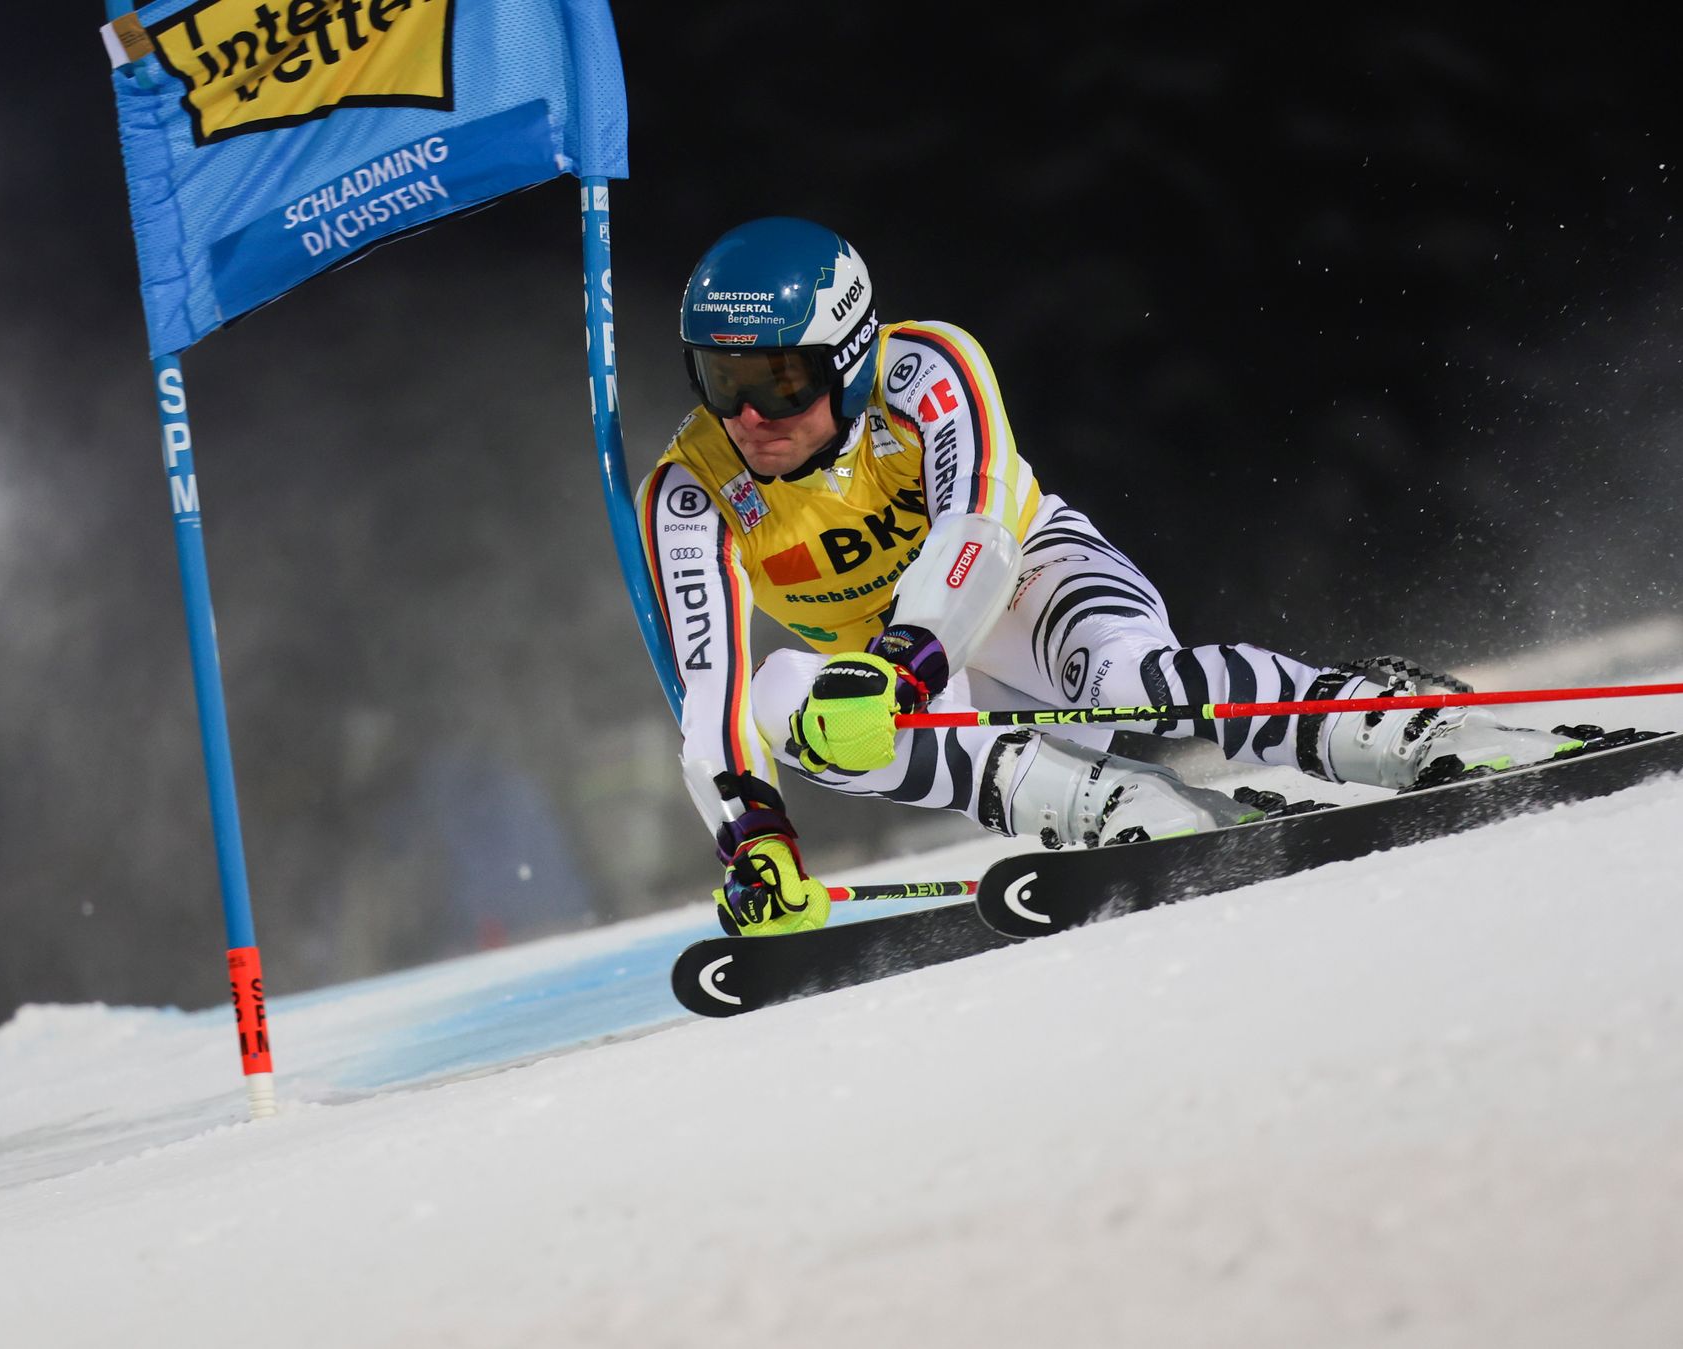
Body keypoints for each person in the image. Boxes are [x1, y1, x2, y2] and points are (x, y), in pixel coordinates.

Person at [638, 216, 1592, 938]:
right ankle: (1118, 805)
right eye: (722, 383)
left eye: (782, 381)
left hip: (1021, 586)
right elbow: (710, 692)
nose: (752, 417)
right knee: (786, 698)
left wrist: (903, 664)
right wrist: (754, 841)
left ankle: (1396, 726)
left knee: (1131, 682)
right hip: (912, 683)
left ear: (847, 361)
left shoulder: (928, 370)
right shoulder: (694, 490)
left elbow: (975, 535)